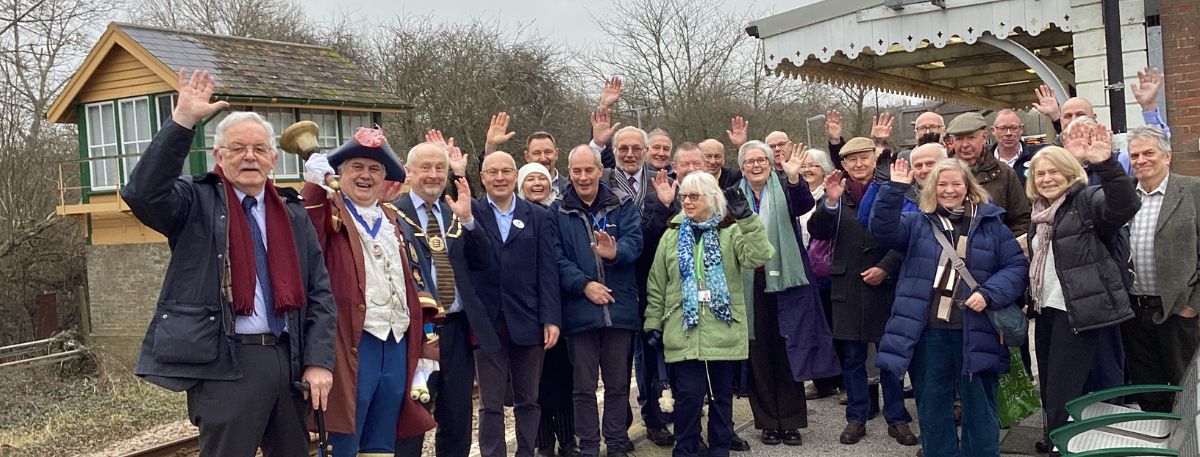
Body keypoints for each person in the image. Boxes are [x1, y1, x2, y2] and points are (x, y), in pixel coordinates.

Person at [123, 69, 336, 456]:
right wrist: (182, 121)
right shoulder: (194, 201)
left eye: (258, 149)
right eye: (237, 148)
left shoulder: (292, 212)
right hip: (227, 362)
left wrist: (319, 361)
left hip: (288, 361)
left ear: (273, 158)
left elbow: (320, 293)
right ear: (219, 156)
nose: (249, 156)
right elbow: (142, 193)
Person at [871, 158, 1029, 457]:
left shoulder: (991, 223)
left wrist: (989, 293)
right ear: (932, 188)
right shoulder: (917, 222)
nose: (949, 190)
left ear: (968, 187)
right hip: (929, 332)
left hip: (976, 329)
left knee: (980, 408)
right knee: (932, 407)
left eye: (956, 183)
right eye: (942, 184)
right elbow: (882, 229)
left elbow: (1016, 265)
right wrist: (893, 190)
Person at [300, 129, 436, 456]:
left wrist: (426, 348)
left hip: (397, 342)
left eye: (374, 169)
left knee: (381, 441)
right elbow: (307, 243)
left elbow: (416, 281)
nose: (365, 175)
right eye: (356, 167)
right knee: (342, 437)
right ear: (340, 174)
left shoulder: (392, 219)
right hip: (352, 343)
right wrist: (313, 189)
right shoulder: (328, 213)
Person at [645, 172, 774, 457]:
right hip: (683, 329)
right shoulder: (672, 234)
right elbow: (657, 283)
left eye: (694, 196)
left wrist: (747, 219)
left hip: (723, 329)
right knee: (689, 397)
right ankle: (686, 449)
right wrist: (653, 322)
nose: (687, 202)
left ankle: (719, 449)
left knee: (721, 398)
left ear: (712, 198)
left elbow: (759, 256)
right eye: (684, 197)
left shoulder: (731, 230)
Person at [1025, 140, 1139, 457]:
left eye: (1054, 172)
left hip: (1082, 311)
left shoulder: (1086, 200)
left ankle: (1067, 446)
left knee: (1067, 389)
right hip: (1048, 309)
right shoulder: (1039, 215)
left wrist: (1107, 165)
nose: (1047, 178)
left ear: (1070, 172)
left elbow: (1124, 205)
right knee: (1051, 386)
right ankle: (1060, 439)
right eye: (1040, 173)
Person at [393, 142, 500, 457]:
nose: (433, 174)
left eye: (439, 168)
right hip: (415, 334)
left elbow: (484, 261)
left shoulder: (455, 212)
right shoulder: (394, 213)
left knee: (456, 418)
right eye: (425, 167)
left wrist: (469, 222)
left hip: (455, 330)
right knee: (412, 416)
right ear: (409, 172)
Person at [808, 137, 916, 447]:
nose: (858, 164)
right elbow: (818, 232)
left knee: (889, 357)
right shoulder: (835, 191)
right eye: (851, 159)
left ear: (875, 157)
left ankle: (897, 419)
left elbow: (908, 235)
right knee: (853, 359)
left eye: (864, 158)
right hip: (847, 286)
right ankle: (857, 417)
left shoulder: (893, 187)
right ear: (843, 164)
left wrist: (886, 267)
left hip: (885, 284)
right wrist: (829, 203)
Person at [737, 141, 839, 446]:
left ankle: (792, 422)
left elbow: (803, 205)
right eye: (750, 161)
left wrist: (794, 178)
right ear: (742, 167)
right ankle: (768, 421)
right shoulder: (733, 195)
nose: (756, 166)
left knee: (787, 350)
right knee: (759, 353)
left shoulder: (784, 187)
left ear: (771, 163)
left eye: (761, 160)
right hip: (749, 282)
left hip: (788, 281)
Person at [552, 145, 643, 457]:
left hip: (620, 308)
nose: (582, 176)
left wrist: (615, 253)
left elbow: (635, 242)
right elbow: (556, 257)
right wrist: (584, 285)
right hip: (580, 311)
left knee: (618, 384)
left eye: (588, 169)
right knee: (583, 387)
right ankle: (589, 447)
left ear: (599, 170)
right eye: (576, 171)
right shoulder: (558, 210)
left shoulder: (622, 204)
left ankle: (616, 443)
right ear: (569, 172)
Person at [473, 151, 563, 457]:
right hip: (487, 323)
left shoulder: (538, 216)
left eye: (506, 171)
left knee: (528, 400)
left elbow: (548, 270)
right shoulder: (471, 213)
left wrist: (551, 318)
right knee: (491, 403)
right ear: (482, 177)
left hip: (528, 319)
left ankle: (527, 451)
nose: (500, 178)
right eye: (492, 172)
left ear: (516, 176)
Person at [1122, 125, 1200, 413]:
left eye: (1148, 153)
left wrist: (1192, 306)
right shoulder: (1126, 195)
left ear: (1168, 156)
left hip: (1178, 310)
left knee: (1186, 387)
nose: (1141, 160)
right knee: (1147, 387)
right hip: (1135, 311)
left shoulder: (1192, 190)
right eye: (1135, 155)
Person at [516, 163, 578, 457]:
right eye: (530, 179)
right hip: (526, 310)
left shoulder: (559, 212)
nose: (537, 183)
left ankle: (567, 439)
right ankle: (543, 442)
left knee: (563, 377)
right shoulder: (513, 214)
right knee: (533, 384)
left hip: (559, 306)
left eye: (542, 177)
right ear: (521, 185)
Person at [944, 113, 1031, 238]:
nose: (965, 145)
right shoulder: (940, 174)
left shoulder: (1004, 173)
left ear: (984, 137)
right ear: (952, 141)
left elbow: (1021, 219)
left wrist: (1003, 246)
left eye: (971, 137)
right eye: (959, 139)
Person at [989, 109, 1045, 185]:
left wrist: (1055, 117)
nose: (1008, 133)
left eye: (1014, 128)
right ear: (993, 131)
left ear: (1021, 129)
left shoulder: (1038, 154)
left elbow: (1063, 144)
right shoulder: (984, 160)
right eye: (1002, 128)